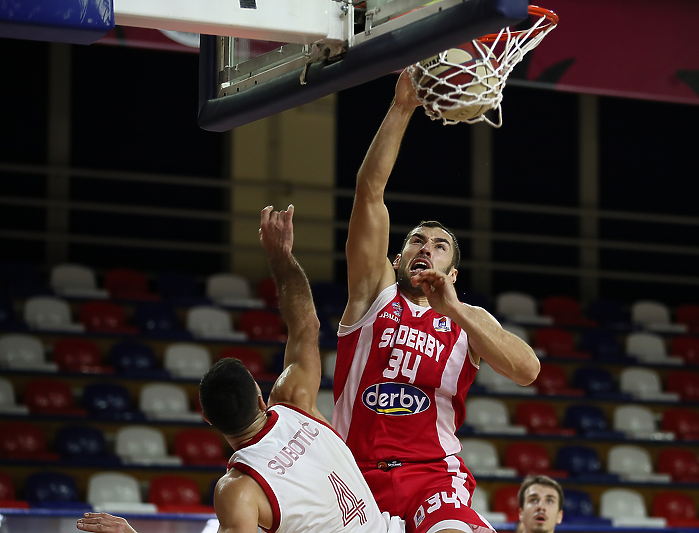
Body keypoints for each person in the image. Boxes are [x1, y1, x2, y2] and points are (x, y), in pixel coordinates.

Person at [77, 205, 404, 533]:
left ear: (208, 419)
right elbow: (306, 323)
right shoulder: (294, 400)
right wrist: (280, 256)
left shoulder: (238, 490)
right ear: (261, 400)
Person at [332, 69, 541, 533]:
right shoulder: (373, 293)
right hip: (351, 476)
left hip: (433, 478)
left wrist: (455, 311)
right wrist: (402, 107)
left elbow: (528, 370)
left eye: (439, 245)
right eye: (416, 240)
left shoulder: (470, 320)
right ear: (398, 256)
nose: (425, 247)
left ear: (452, 272)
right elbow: (369, 194)